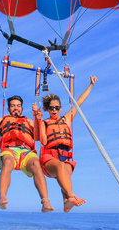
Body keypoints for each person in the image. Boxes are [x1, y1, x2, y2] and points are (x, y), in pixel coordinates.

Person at [32, 76, 98, 213]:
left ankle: (66, 202)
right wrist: (38, 120)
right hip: (48, 160)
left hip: (65, 157)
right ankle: (71, 196)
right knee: (60, 166)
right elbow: (43, 141)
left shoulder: (66, 119)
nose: (54, 110)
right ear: (47, 109)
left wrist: (91, 85)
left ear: (61, 108)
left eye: (57, 107)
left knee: (65, 170)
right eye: (51, 108)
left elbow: (78, 102)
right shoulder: (44, 123)